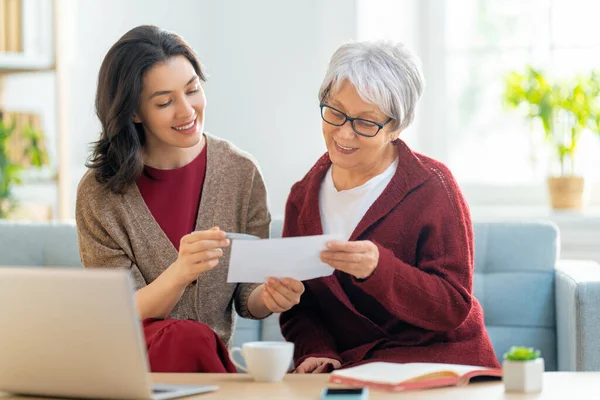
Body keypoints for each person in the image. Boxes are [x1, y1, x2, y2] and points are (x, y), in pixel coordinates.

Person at [75, 25, 304, 373]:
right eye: (165, 102)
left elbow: (248, 298)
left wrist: (269, 297)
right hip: (129, 366)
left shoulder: (241, 173)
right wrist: (180, 272)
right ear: (134, 112)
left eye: (193, 90)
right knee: (188, 338)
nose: (187, 111)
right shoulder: (99, 193)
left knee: (194, 340)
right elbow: (119, 311)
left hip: (207, 361)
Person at [279, 40, 500, 373]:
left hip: (439, 363)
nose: (344, 134)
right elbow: (301, 306)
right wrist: (316, 351)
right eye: (336, 112)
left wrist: (380, 270)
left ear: (397, 127)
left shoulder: (433, 186)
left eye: (365, 123)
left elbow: (453, 305)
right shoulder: (302, 197)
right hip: (353, 369)